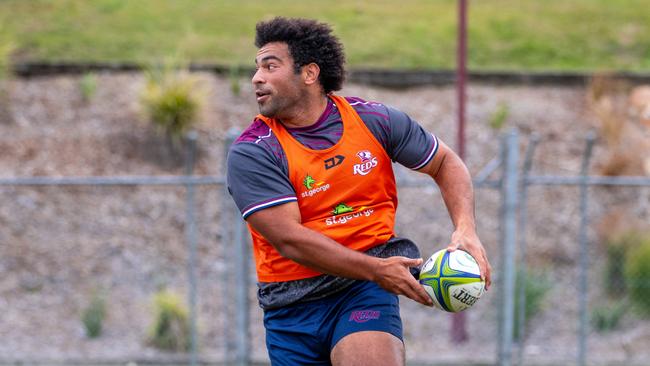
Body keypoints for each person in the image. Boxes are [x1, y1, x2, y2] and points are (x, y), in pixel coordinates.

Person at [226, 16, 492, 366]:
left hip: (361, 292)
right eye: (257, 67)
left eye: (270, 66)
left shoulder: (373, 121)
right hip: (291, 306)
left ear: (309, 73)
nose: (256, 78)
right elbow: (290, 239)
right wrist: (376, 270)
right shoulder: (255, 151)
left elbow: (445, 163)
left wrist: (465, 228)